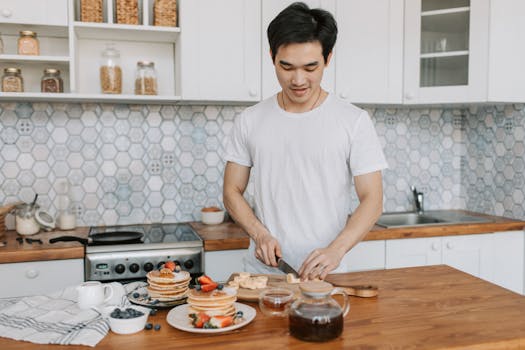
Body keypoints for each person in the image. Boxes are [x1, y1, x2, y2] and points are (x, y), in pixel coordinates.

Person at [223, 2, 388, 280]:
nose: (298, 80)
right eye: (286, 67)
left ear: (328, 59)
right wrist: (259, 234)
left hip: (326, 276)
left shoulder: (353, 121)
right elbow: (231, 190)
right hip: (265, 276)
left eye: (310, 67)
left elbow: (372, 199)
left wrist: (336, 250)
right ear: (271, 57)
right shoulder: (250, 120)